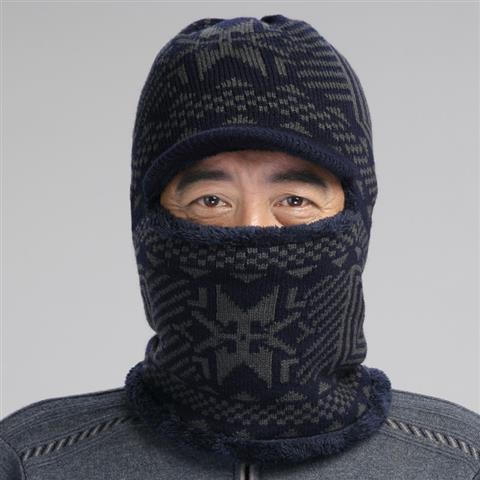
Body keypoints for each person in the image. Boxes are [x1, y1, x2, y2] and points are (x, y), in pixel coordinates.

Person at [1, 14, 479, 480]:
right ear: (145, 222)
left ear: (358, 218)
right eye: (211, 200)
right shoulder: (31, 461)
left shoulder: (462, 463)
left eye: (295, 200)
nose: (252, 229)